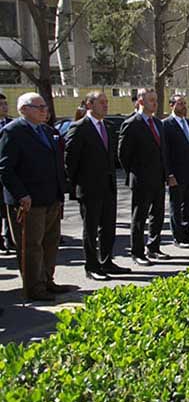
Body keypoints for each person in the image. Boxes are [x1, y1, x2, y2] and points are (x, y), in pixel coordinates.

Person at [0, 93, 69, 301]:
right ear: (23, 110)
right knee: (31, 246)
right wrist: (21, 194)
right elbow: (5, 169)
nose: (44, 110)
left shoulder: (47, 131)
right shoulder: (12, 132)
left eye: (45, 107)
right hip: (29, 201)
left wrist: (61, 192)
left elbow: (56, 164)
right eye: (38, 107)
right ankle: (34, 287)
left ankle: (47, 280)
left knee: (50, 242)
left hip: (51, 197)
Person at [65, 91, 131, 280]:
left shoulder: (107, 127)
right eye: (101, 102)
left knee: (108, 226)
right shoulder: (79, 128)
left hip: (108, 186)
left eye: (106, 102)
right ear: (89, 105)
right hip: (88, 188)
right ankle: (92, 266)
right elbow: (70, 161)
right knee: (91, 228)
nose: (105, 105)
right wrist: (77, 186)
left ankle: (107, 261)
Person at [118, 88, 171, 265]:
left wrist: (167, 173)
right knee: (139, 217)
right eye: (151, 100)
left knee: (158, 215)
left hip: (158, 177)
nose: (155, 103)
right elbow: (123, 154)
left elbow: (163, 151)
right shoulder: (132, 123)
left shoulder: (158, 123)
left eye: (156, 100)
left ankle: (154, 247)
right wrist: (135, 172)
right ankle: (137, 252)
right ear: (141, 101)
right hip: (141, 178)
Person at [162, 94, 189, 248]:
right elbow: (165, 152)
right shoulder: (166, 125)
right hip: (176, 173)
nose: (184, 106)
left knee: (188, 205)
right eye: (180, 103)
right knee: (176, 206)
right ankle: (178, 237)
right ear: (172, 105)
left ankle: (187, 234)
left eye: (184, 103)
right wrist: (169, 174)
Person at [0, 93, 14, 253]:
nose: (4, 107)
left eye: (5, 103)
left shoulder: (12, 125)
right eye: (1, 104)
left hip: (9, 175)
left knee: (8, 208)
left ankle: (9, 238)